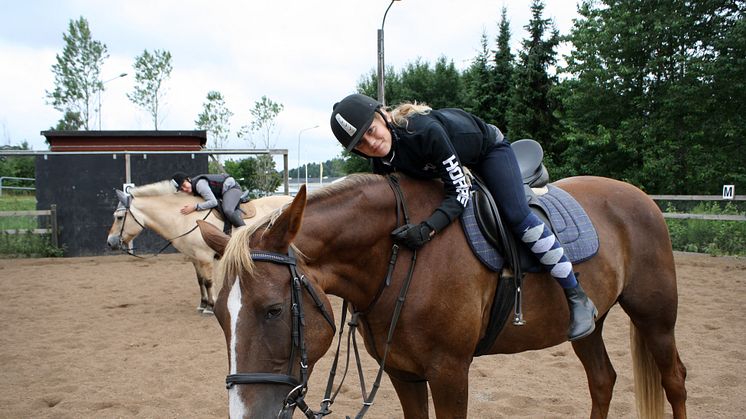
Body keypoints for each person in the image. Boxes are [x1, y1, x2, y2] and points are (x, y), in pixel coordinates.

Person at [329, 93, 597, 341]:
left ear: (383, 116)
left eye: (371, 132)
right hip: (448, 160)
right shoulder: (382, 160)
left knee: (517, 216)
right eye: (361, 145)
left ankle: (576, 296)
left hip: (487, 151)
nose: (372, 144)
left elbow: (459, 191)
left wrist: (427, 229)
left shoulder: (424, 132)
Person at [171, 172, 246, 232]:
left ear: (188, 179)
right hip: (221, 193)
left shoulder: (199, 185)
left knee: (227, 210)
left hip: (231, 188)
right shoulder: (193, 188)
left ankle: (246, 233)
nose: (184, 189)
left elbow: (213, 202)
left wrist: (195, 207)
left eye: (184, 185)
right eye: (181, 189)